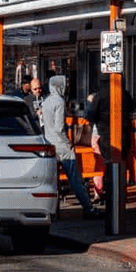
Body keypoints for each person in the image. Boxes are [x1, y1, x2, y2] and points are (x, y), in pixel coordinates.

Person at [42, 75, 98, 218]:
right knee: (75, 179)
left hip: (49, 144)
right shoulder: (60, 102)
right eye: (64, 85)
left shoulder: (46, 102)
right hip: (62, 146)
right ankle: (87, 207)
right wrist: (67, 143)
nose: (66, 87)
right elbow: (60, 127)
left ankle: (53, 211)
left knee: (52, 180)